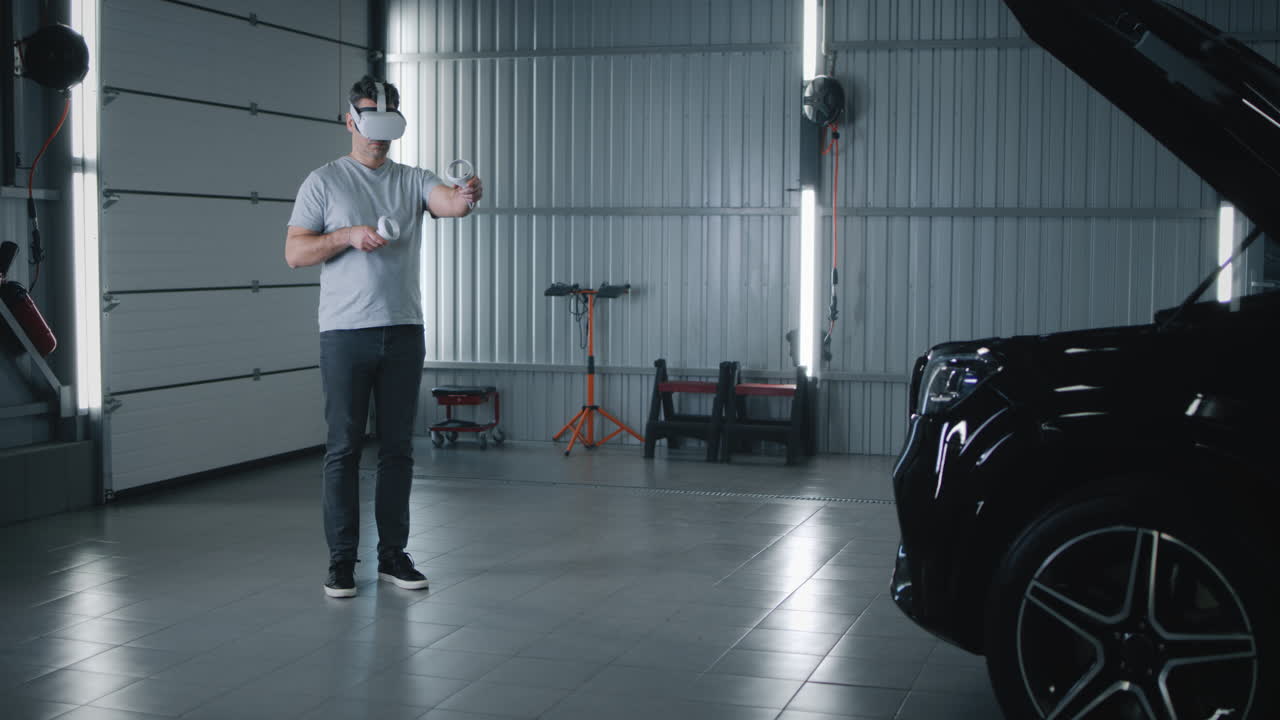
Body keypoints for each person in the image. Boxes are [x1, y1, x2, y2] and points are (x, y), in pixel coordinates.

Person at [285, 75, 482, 598]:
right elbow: (295, 253)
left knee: (397, 449)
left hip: (403, 331)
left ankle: (394, 556)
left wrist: (466, 195)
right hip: (345, 333)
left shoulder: (412, 179)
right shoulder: (324, 182)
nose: (378, 132)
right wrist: (347, 236)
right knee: (344, 449)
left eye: (387, 118)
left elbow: (450, 204)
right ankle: (341, 561)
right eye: (369, 117)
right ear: (350, 120)